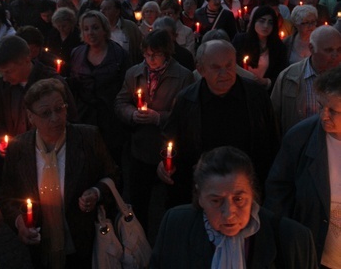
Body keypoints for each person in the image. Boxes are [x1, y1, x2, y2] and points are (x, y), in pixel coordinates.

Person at [0, 78, 118, 269]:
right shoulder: (18, 149)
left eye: (59, 108)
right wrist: (19, 222)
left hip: (84, 244)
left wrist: (97, 192)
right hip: (40, 247)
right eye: (45, 113)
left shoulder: (88, 138)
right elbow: (7, 196)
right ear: (30, 117)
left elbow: (115, 176)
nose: (55, 118)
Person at [151, 146, 318, 268]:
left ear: (252, 193)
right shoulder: (175, 227)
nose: (229, 213)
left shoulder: (293, 240)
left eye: (238, 199)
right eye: (216, 201)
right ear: (199, 196)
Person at [157, 40, 279, 207]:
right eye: (216, 67)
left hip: (249, 191)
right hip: (204, 193)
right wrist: (164, 163)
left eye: (229, 66)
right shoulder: (186, 100)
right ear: (201, 69)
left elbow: (272, 141)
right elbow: (170, 138)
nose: (225, 73)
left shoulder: (256, 96)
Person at [114, 29, 194, 231]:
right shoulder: (134, 73)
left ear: (166, 53)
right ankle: (139, 242)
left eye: (155, 54)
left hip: (167, 149)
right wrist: (132, 114)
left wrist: (159, 117)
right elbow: (120, 102)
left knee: (170, 202)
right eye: (147, 54)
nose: (150, 59)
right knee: (139, 199)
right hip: (140, 148)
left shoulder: (183, 76)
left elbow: (185, 115)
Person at [265, 65, 341, 268]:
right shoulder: (300, 138)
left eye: (333, 111)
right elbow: (278, 193)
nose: (324, 116)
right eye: (321, 106)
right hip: (316, 256)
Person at [68, 10, 128, 164]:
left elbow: (126, 87)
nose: (90, 33)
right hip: (84, 117)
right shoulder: (77, 53)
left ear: (104, 29)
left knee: (111, 160)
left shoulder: (118, 54)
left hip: (111, 119)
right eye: (86, 29)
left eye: (95, 27)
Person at [271, 25, 341, 136]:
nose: (336, 56)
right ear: (312, 48)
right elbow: (273, 116)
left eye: (339, 49)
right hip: (298, 146)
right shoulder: (289, 77)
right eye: (329, 50)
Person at [232, 5, 287, 92]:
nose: (266, 26)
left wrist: (266, 81)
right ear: (254, 22)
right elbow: (231, 63)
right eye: (262, 21)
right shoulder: (241, 40)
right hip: (241, 89)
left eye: (270, 22)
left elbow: (282, 74)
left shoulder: (279, 47)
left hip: (265, 93)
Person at [100, 0, 143, 67]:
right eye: (101, 8)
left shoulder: (130, 27)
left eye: (107, 9)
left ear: (117, 11)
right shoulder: (98, 30)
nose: (102, 12)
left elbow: (139, 50)